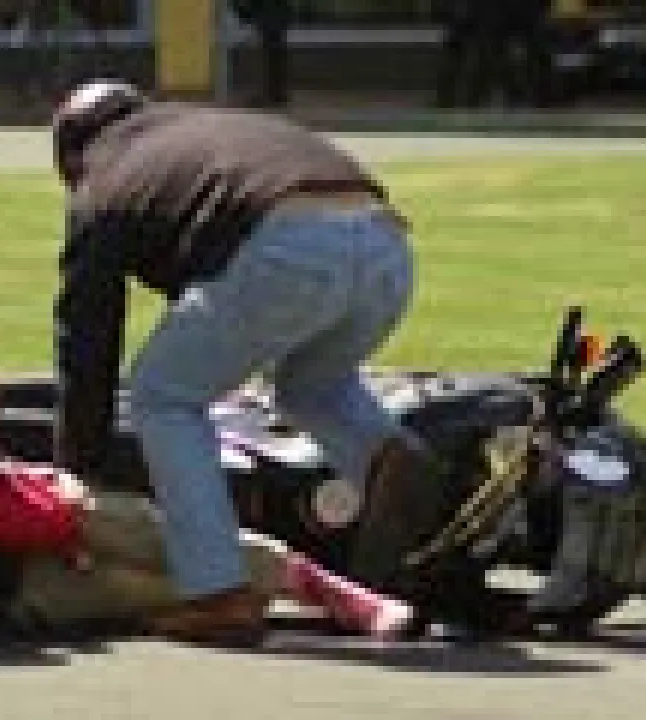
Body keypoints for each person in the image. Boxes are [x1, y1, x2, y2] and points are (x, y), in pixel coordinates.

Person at [0, 282, 416, 649]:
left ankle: (333, 591)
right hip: (7, 591)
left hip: (25, 516)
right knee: (141, 587)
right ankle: (246, 600)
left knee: (147, 529)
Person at [50, 81, 454, 645]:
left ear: (72, 152)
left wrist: (78, 462)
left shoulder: (103, 177)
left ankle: (217, 592)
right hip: (386, 243)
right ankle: (383, 456)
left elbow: (87, 331)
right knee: (311, 387)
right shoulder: (194, 129)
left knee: (164, 397)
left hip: (288, 245)